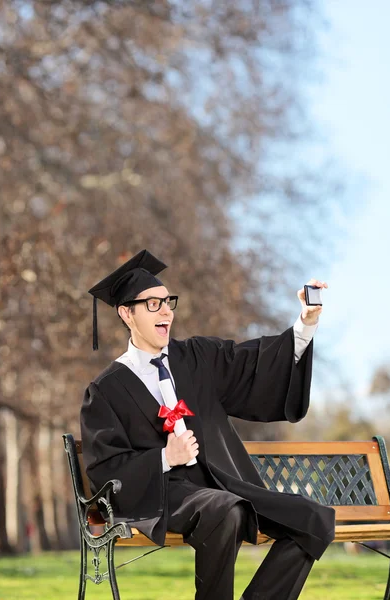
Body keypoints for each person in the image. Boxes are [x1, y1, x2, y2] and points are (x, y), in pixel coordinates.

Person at [81, 250, 335, 600]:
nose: (166, 311)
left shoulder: (198, 358)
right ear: (127, 313)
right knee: (225, 510)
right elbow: (105, 469)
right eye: (153, 304)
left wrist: (305, 323)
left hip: (221, 481)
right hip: (161, 493)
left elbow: (254, 364)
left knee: (314, 518)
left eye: (168, 302)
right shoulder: (107, 389)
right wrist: (165, 458)